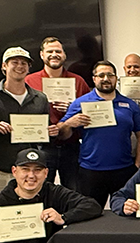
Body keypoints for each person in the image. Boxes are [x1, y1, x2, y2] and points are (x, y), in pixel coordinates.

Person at [59, 61, 140, 207]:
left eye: (110, 75)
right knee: (89, 216)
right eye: (101, 75)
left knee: (126, 215)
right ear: (94, 79)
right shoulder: (80, 103)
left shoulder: (130, 105)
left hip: (124, 171)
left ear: (116, 78)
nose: (106, 78)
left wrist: (137, 165)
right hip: (90, 171)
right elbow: (61, 134)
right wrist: (69, 123)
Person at [0, 47, 56, 189]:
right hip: (0, 171)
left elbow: (45, 133)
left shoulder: (41, 98)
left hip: (31, 174)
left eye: (24, 63)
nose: (20, 66)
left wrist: (51, 131)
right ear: (4, 66)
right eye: (14, 62)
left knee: (31, 210)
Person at [25, 36, 92, 190]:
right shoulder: (29, 81)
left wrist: (73, 108)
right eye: (50, 51)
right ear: (42, 55)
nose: (54, 54)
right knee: (40, 190)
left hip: (72, 146)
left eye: (58, 51)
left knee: (73, 190)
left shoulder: (78, 81)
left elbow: (90, 113)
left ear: (64, 55)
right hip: (42, 147)